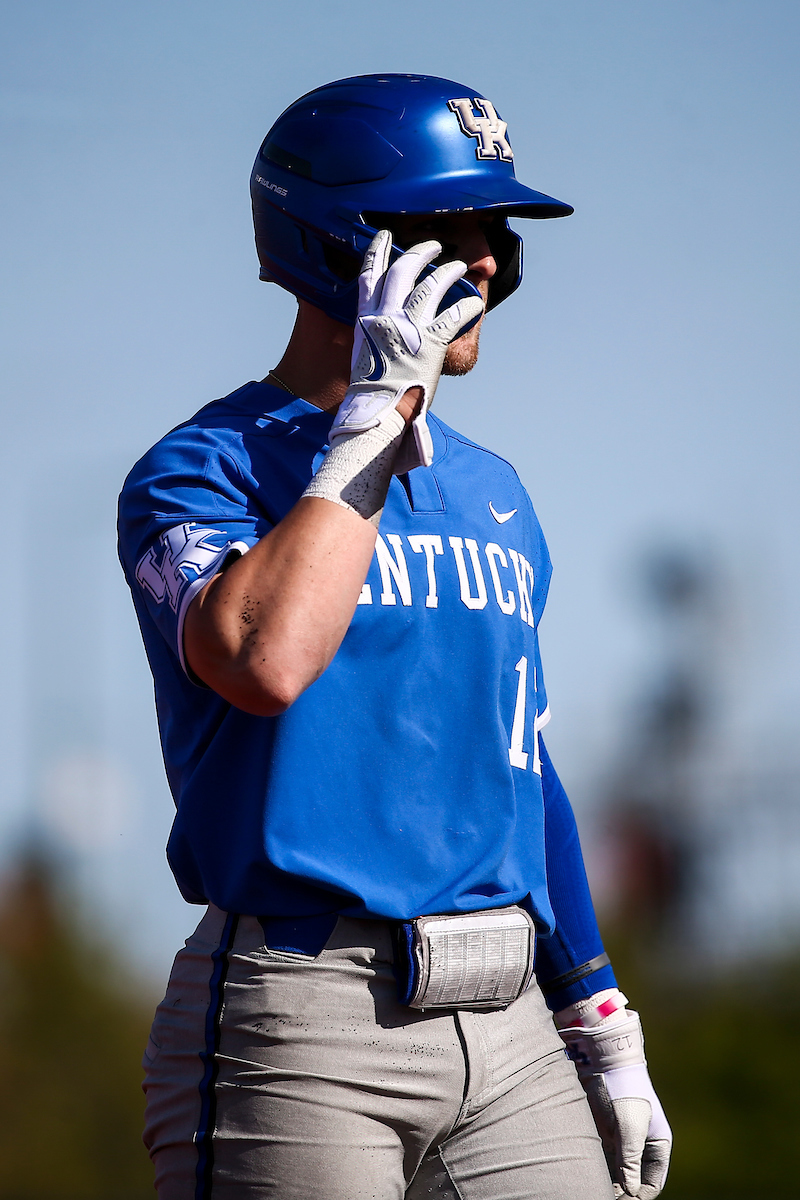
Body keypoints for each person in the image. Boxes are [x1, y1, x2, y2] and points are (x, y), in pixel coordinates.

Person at [118, 73, 672, 1200]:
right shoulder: (202, 468)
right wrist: (367, 431)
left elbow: (520, 764)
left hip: (512, 1022)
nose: (486, 261)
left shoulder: (495, 490)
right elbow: (262, 660)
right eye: (451, 227)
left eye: (495, 232)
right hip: (304, 1016)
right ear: (341, 243)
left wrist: (595, 1005)